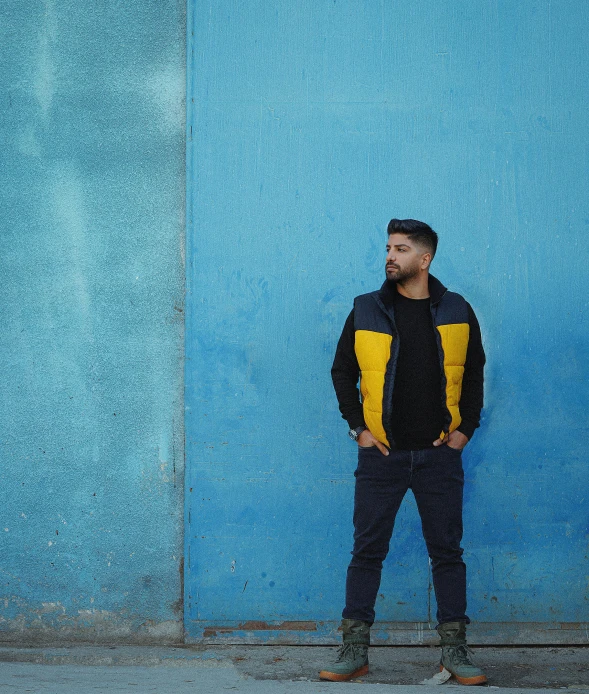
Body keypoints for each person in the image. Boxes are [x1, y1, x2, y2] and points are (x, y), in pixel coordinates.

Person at [319, 219, 486, 685]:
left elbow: (474, 373)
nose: (390, 256)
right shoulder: (366, 309)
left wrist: (464, 430)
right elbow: (341, 371)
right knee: (367, 552)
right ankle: (355, 649)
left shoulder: (457, 308)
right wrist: (359, 429)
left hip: (439, 458)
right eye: (388, 248)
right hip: (382, 458)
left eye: (401, 249)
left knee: (447, 554)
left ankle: (454, 651)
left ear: (425, 259)